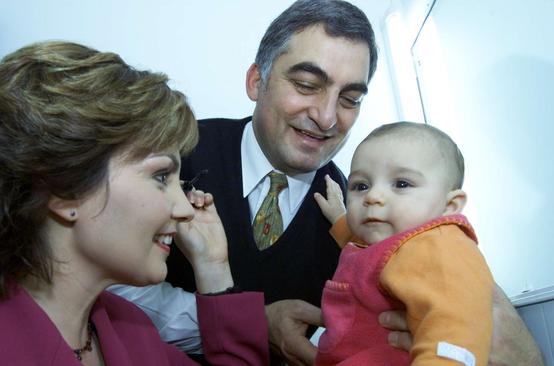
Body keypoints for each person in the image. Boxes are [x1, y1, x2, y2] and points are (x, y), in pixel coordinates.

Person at [110, 1, 544, 365]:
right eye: (306, 85)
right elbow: (106, 286)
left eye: (350, 99)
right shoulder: (176, 153)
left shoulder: (365, 218)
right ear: (256, 81)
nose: (327, 117)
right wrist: (256, 321)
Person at [0, 41, 269, 365]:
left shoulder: (132, 334)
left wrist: (214, 267)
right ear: (65, 189)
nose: (185, 208)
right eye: (161, 177)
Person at [313, 122, 493, 365]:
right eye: (360, 186)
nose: (372, 197)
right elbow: (369, 252)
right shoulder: (399, 243)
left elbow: (455, 327)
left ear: (449, 206)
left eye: (401, 184)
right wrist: (340, 218)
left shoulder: (441, 246)